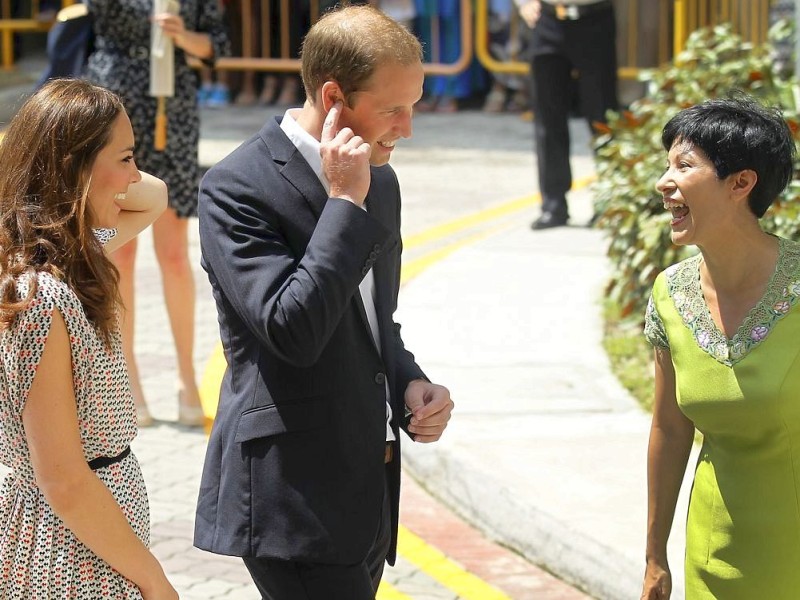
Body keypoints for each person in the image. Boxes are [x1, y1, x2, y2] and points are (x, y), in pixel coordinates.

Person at [194, 5, 454, 598]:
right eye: (393, 109)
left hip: (367, 482)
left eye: (414, 104)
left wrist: (409, 381)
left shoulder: (378, 179)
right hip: (292, 497)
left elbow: (371, 318)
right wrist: (342, 204)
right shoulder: (237, 186)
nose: (408, 127)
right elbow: (293, 328)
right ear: (334, 96)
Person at [0, 79, 176, 599]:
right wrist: (155, 580)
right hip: (72, 549)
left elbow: (154, 199)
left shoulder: (73, 254)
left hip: (90, 536)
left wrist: (108, 175)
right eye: (124, 158)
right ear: (75, 168)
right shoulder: (42, 296)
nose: (135, 176)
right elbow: (65, 481)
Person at [641, 96, 800, 599]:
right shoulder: (670, 294)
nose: (664, 183)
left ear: (741, 183)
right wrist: (654, 556)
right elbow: (669, 429)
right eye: (667, 165)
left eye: (683, 166)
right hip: (712, 557)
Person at [84, 0, 231, 427]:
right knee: (118, 251)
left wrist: (183, 35)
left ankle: (186, 377)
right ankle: (127, 380)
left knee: (173, 252)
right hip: (112, 107)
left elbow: (215, 46)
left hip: (173, 106)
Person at [514, 0, 618, 229]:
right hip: (548, 19)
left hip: (594, 18)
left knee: (602, 117)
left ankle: (609, 204)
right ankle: (553, 205)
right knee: (548, 117)